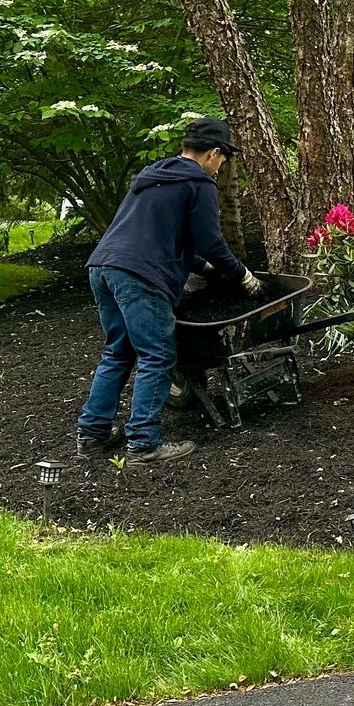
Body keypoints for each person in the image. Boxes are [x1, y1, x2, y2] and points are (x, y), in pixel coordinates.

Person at [76, 117, 262, 464]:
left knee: (118, 352)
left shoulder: (152, 178)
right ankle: (144, 444)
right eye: (223, 159)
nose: (222, 167)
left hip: (103, 267)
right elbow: (210, 242)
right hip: (139, 277)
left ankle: (92, 435)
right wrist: (242, 275)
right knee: (157, 354)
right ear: (213, 153)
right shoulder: (199, 183)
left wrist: (201, 268)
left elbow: (154, 234)